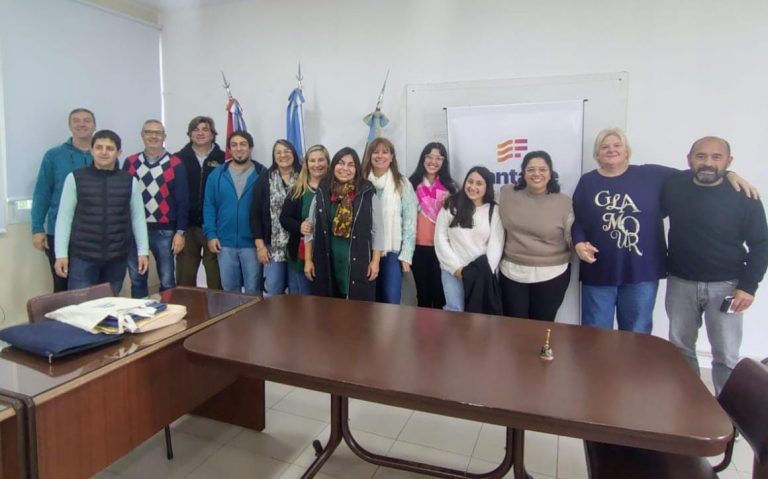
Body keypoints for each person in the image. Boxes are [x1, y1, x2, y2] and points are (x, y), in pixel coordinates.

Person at [572, 128, 755, 333]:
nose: (611, 150)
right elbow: (578, 219)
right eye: (604, 146)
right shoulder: (588, 181)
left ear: (626, 151)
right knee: (594, 331)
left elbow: (698, 172)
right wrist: (578, 241)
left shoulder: (652, 175)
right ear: (597, 154)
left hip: (642, 270)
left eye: (617, 145)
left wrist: (729, 174)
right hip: (599, 267)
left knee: (637, 331)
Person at [662, 136, 768, 394]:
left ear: (729, 161)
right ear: (689, 159)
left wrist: (748, 287)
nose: (708, 163)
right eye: (701, 156)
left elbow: (761, 244)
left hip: (727, 287)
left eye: (716, 157)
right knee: (680, 350)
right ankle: (689, 404)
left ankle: (729, 412)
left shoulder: (745, 196)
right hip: (680, 283)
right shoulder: (675, 185)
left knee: (726, 355)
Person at [53, 130, 148, 295]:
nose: (104, 152)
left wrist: (143, 251)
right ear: (92, 150)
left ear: (119, 152)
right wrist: (61, 255)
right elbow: (64, 219)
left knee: (109, 305)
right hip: (83, 257)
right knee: (80, 306)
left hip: (116, 258)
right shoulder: (75, 178)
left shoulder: (129, 181)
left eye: (110, 148)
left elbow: (138, 219)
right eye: (99, 147)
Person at [498, 151, 573, 321]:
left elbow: (571, 235)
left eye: (542, 169)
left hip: (552, 273)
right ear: (523, 173)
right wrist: (452, 201)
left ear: (550, 173)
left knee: (543, 327)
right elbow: (480, 201)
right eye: (531, 169)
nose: (536, 174)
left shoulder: (564, 202)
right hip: (512, 272)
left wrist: (581, 246)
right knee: (514, 326)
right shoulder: (506, 194)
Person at [304, 147, 383, 301]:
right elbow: (310, 228)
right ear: (333, 166)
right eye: (341, 163)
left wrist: (375, 261)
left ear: (357, 169)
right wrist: (308, 260)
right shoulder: (322, 192)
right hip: (328, 260)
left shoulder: (367, 193)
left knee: (356, 308)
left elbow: (378, 230)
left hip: (357, 262)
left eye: (351, 165)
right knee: (329, 306)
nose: (345, 168)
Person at [123, 120, 189, 298]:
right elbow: (123, 197)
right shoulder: (130, 163)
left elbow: (183, 201)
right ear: (142, 135)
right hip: (135, 231)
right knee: (137, 280)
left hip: (164, 231)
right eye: (148, 132)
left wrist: (180, 232)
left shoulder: (175, 163)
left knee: (167, 281)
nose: (153, 136)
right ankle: (139, 313)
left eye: (158, 133)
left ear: (164, 137)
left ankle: (169, 312)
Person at [31, 108, 95, 292]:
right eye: (76, 120)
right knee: (62, 285)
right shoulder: (53, 156)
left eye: (87, 120)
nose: (82, 124)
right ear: (70, 125)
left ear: (94, 126)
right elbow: (42, 193)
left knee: (93, 288)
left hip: (94, 234)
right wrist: (37, 228)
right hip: (59, 232)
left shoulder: (103, 155)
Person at [203, 131, 267, 294]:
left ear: (250, 148)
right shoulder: (217, 175)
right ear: (229, 149)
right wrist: (211, 235)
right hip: (224, 243)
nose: (239, 148)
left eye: (243, 144)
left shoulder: (262, 173)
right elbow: (209, 207)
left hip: (253, 244)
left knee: (253, 290)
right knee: (230, 291)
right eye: (234, 145)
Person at [434, 166, 504, 312]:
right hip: (452, 271)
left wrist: (477, 274)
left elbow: (496, 245)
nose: (472, 187)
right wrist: (457, 269)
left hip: (481, 274)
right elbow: (440, 238)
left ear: (487, 187)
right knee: (455, 311)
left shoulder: (494, 210)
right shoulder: (451, 205)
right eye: (470, 181)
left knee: (478, 316)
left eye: (479, 183)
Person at [361, 137, 417, 304]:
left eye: (385, 152)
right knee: (367, 299)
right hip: (363, 249)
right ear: (369, 156)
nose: (380, 156)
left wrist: (406, 254)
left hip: (391, 251)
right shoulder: (360, 181)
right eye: (375, 152)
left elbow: (410, 221)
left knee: (391, 300)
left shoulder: (402, 183)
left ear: (392, 157)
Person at [174, 116, 225, 289]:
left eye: (205, 129)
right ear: (190, 134)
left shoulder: (224, 159)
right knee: (185, 279)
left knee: (216, 279)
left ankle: (218, 307)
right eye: (196, 129)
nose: (200, 133)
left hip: (214, 227)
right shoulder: (177, 159)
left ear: (213, 134)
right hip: (187, 227)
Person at [408, 142, 457, 309]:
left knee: (440, 294)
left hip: (442, 248)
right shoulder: (411, 184)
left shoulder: (451, 187)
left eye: (439, 158)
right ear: (423, 159)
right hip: (418, 247)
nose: (433, 162)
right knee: (422, 294)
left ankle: (439, 327)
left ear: (444, 162)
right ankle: (423, 326)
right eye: (429, 157)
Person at [250, 140, 302, 296]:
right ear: (274, 156)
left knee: (297, 290)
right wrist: (260, 246)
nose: (283, 155)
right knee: (273, 289)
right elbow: (254, 214)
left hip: (299, 245)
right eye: (278, 152)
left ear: (294, 153)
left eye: (287, 151)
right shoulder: (264, 179)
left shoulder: (304, 177)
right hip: (273, 247)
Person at [279, 145, 330, 295]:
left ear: (328, 162)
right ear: (306, 164)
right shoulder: (298, 189)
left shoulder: (334, 189)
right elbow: (284, 218)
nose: (317, 164)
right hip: (300, 256)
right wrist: (299, 226)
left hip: (327, 254)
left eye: (321, 160)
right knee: (302, 300)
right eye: (312, 161)